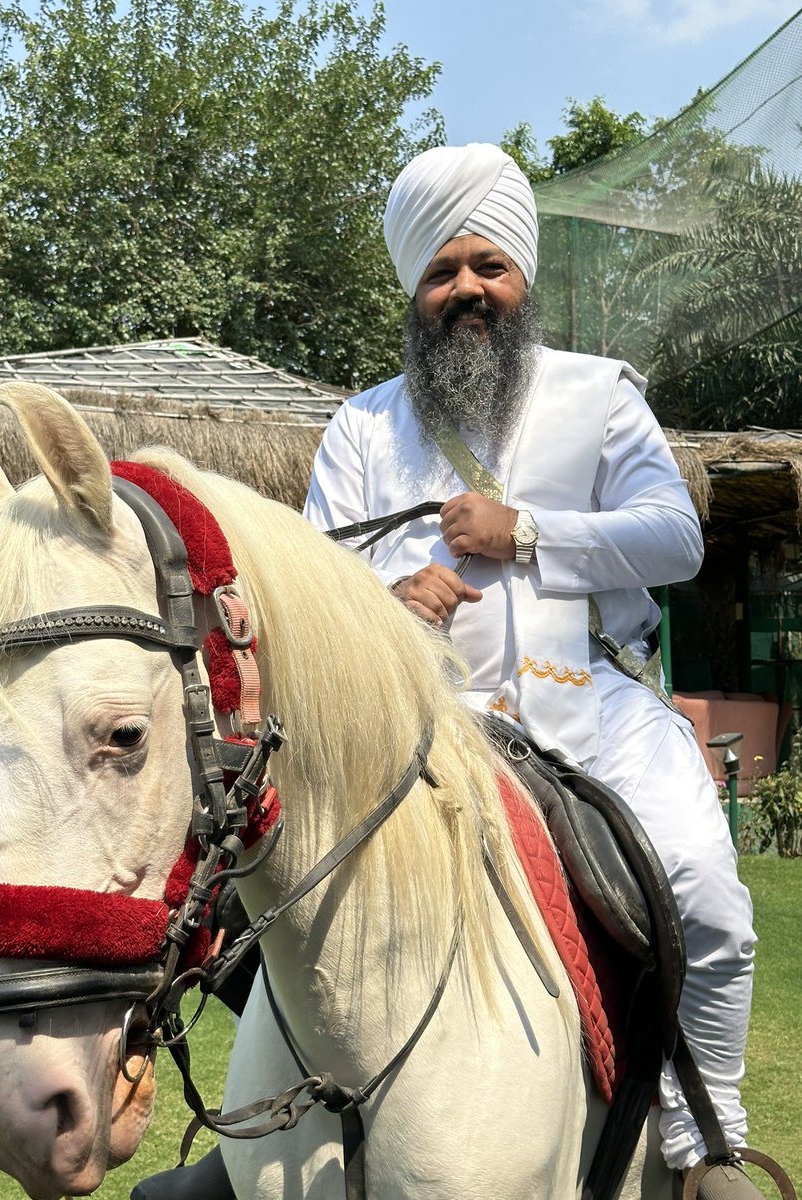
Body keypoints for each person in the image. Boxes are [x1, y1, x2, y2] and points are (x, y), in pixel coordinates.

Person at [303, 143, 761, 1199]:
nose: (466, 287)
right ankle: (269, 1136)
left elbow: (675, 540)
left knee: (710, 901)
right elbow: (311, 582)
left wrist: (529, 532)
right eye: (442, 270)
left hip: (589, 713)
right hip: (420, 731)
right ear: (416, 291)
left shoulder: (599, 397)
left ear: (523, 278)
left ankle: (707, 1147)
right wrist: (384, 602)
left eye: (487, 265)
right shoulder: (362, 426)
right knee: (276, 895)